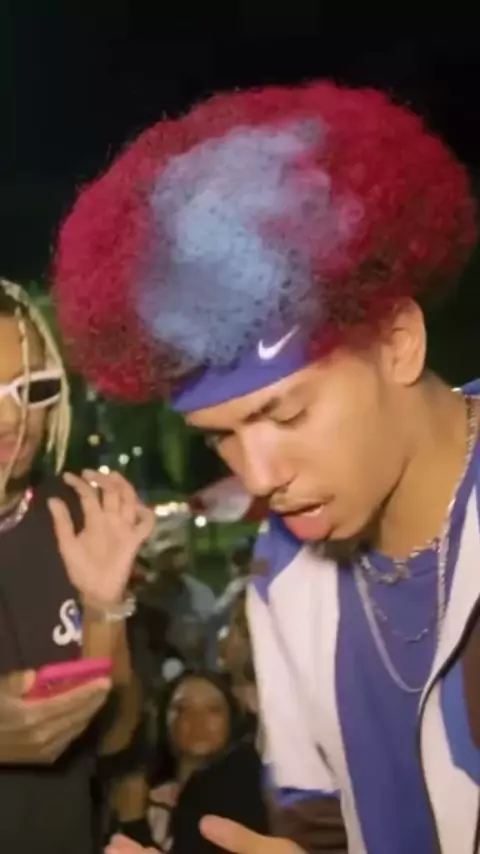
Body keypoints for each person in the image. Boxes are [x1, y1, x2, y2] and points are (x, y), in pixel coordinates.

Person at [54, 81, 479, 854]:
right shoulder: (282, 575)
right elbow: (319, 828)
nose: (256, 476)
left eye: (285, 415)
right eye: (220, 437)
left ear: (397, 343)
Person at [0, 279, 154, 852]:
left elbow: (115, 739)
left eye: (29, 388)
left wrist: (103, 608)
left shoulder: (77, 518)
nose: (12, 416)